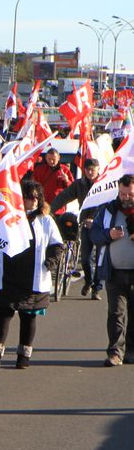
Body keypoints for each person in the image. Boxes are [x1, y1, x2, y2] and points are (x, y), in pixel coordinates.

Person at [0, 181, 63, 370]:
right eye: (26, 197)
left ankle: (24, 355)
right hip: (8, 273)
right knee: (3, 314)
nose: (30, 202)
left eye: (34, 198)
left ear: (39, 200)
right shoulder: (7, 217)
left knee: (28, 316)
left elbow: (57, 245)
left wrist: (51, 262)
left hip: (32, 276)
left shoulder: (46, 221)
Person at [88, 174, 134, 366]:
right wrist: (109, 234)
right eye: (122, 193)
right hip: (114, 271)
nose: (125, 197)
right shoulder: (107, 210)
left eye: (130, 193)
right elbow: (94, 234)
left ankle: (131, 350)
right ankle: (115, 351)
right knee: (116, 313)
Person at [50, 156, 103, 299]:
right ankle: (88, 282)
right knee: (85, 258)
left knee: (100, 258)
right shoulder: (79, 184)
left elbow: (107, 203)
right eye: (88, 170)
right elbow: (64, 196)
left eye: (93, 170)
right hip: (85, 224)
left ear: (98, 170)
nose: (90, 172)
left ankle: (96, 289)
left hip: (101, 226)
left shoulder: (104, 183)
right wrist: (49, 210)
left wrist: (95, 218)